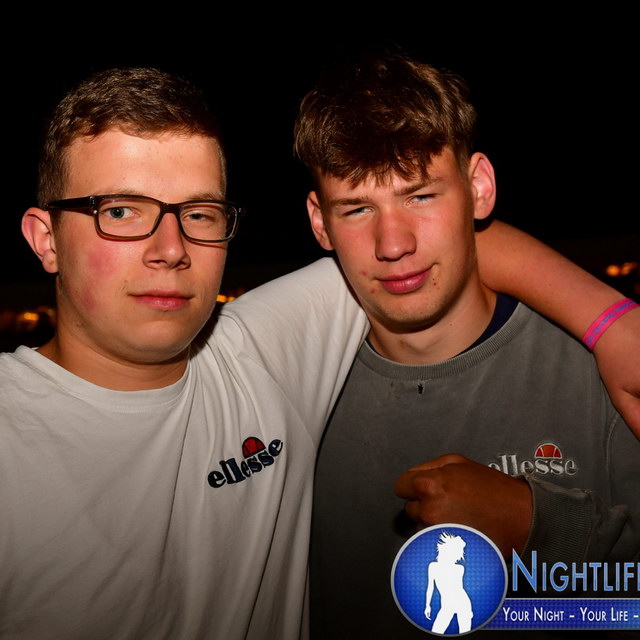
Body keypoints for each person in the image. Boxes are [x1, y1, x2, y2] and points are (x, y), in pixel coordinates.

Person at [0, 65, 635, 640]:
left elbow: (442, 251)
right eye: (119, 211)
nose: (170, 249)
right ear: (45, 238)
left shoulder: (264, 355)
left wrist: (610, 322)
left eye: (199, 213)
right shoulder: (296, 364)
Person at [295, 52, 640, 638]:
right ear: (320, 222)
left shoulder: (601, 378)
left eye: (421, 196)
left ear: (478, 188)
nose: (393, 244)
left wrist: (543, 529)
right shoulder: (291, 393)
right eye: (357, 209)